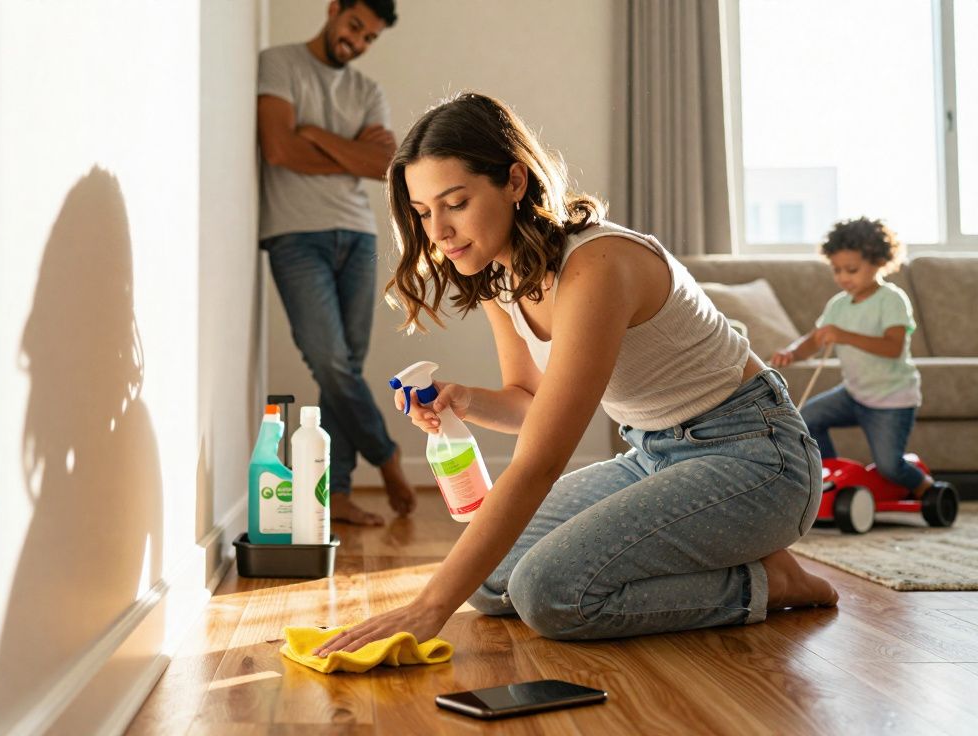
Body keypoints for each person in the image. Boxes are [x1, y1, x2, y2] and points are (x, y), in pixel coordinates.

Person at [314, 92, 837, 654]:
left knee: (549, 594)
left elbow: (541, 458)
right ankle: (721, 545)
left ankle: (770, 581)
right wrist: (462, 399)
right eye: (422, 213)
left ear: (515, 182)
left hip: (756, 457)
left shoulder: (597, 266)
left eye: (455, 202)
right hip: (653, 455)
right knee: (493, 583)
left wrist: (428, 606)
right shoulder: (497, 275)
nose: (438, 231)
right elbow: (529, 401)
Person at [257, 0, 416, 525]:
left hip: (359, 235)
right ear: (333, 10)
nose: (357, 42)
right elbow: (278, 149)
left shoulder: (367, 90)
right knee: (329, 359)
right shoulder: (278, 63)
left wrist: (318, 135)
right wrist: (348, 150)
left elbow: (384, 165)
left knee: (343, 369)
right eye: (354, 27)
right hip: (294, 236)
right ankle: (386, 454)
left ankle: (337, 491)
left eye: (369, 38)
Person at [771, 217, 945, 501]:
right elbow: (816, 339)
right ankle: (832, 481)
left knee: (890, 466)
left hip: (891, 399)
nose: (843, 277)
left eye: (851, 269)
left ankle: (926, 487)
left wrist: (844, 335)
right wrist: (791, 352)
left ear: (878, 261)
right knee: (806, 420)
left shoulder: (891, 300)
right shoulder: (838, 305)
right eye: (836, 270)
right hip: (854, 394)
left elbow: (893, 347)